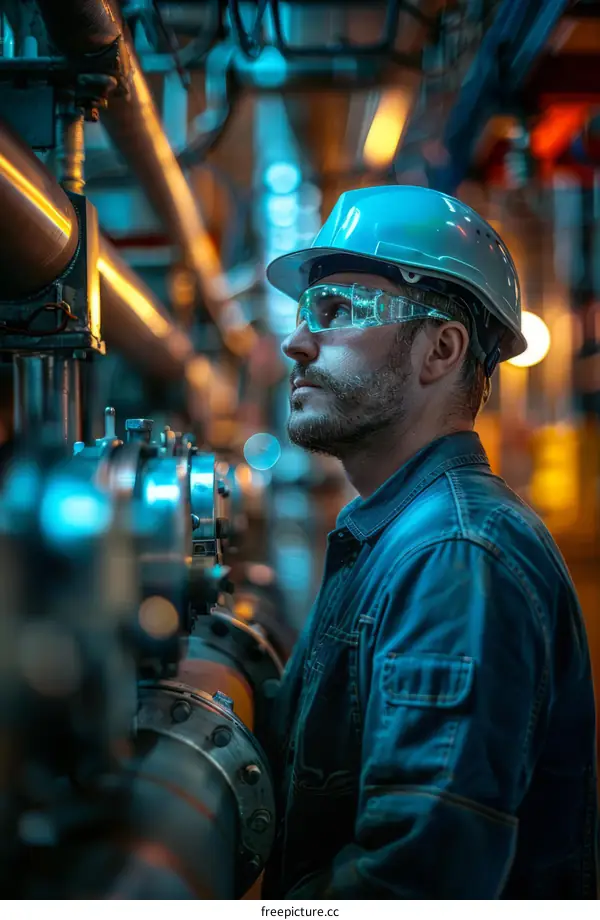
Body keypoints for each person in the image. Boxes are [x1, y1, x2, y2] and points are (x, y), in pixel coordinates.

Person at [261, 185, 598, 899]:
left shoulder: (455, 555)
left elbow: (413, 886)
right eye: (303, 312)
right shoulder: (391, 535)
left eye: (338, 310)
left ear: (440, 350)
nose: (295, 341)